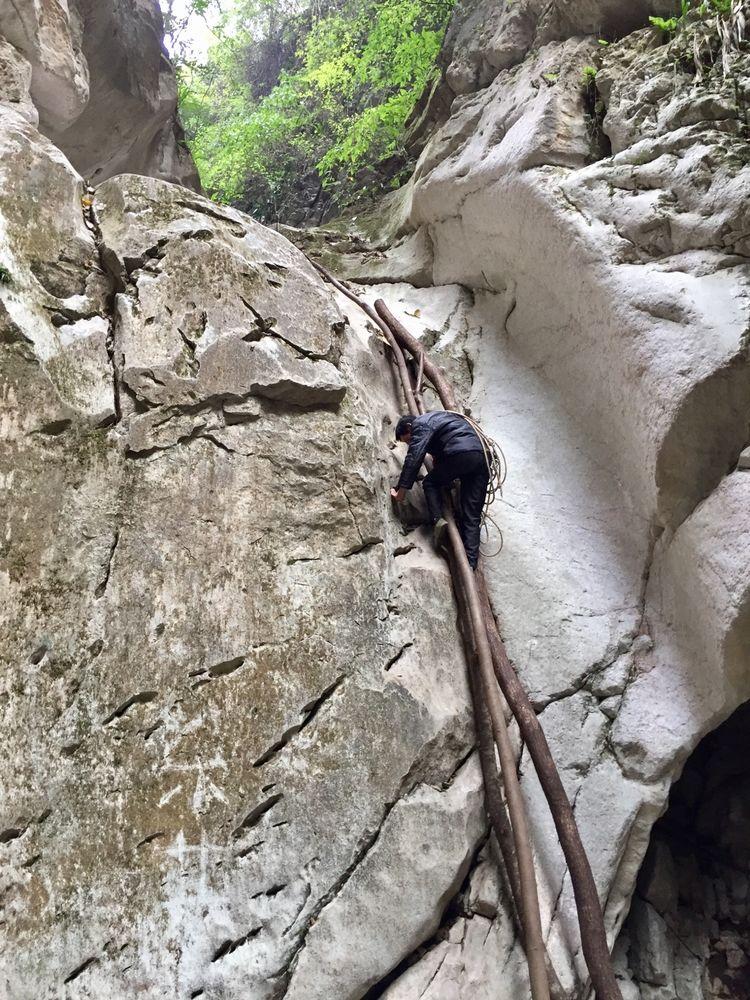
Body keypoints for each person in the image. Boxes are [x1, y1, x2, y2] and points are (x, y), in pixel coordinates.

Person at [390, 411, 489, 570]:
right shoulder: (442, 419)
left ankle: (438, 521)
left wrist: (401, 492)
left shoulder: (421, 424)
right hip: (482, 457)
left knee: (430, 483)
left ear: (409, 427)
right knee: (472, 516)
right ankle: (470, 565)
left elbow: (414, 458)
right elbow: (449, 440)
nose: (411, 443)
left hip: (461, 453)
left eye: (409, 440)